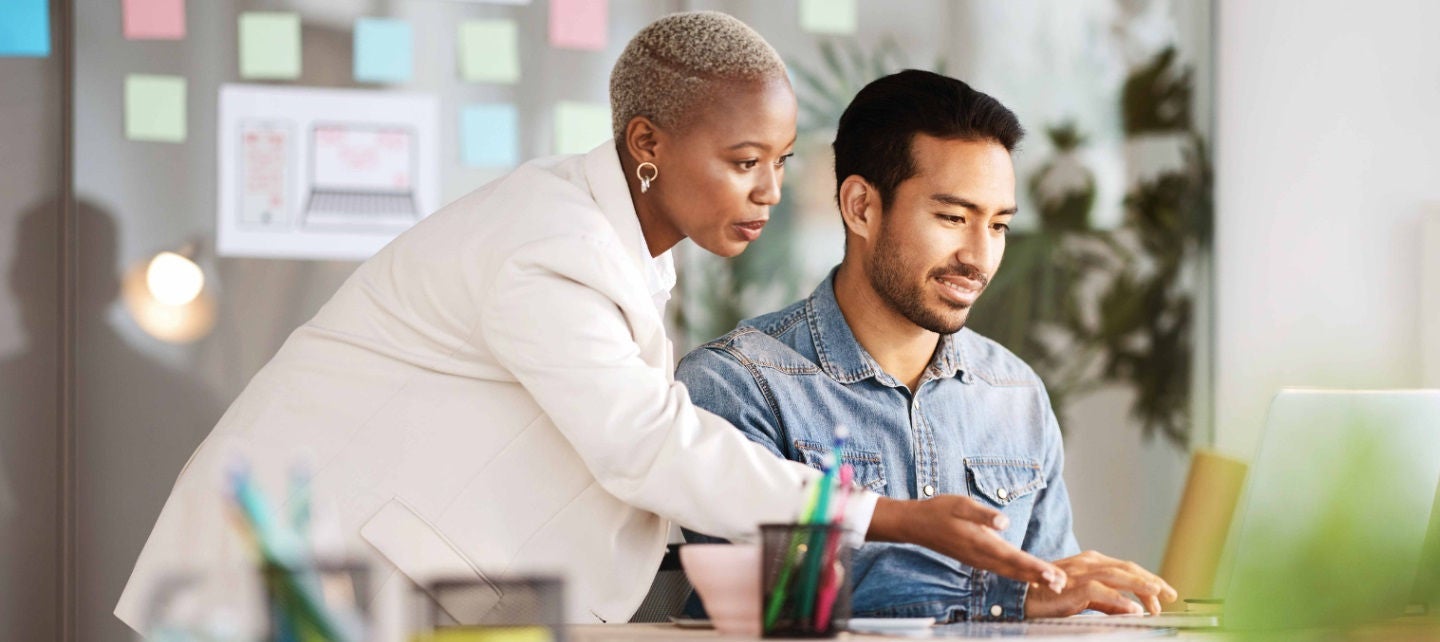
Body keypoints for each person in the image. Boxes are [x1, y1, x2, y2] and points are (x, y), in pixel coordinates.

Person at [115, 14, 1064, 633]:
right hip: (277, 580)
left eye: (779, 161)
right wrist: (896, 518)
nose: (771, 192)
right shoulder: (549, 244)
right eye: (743, 161)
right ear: (647, 144)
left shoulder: (622, 248)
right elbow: (643, 447)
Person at [677, 70, 1177, 622]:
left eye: (999, 226)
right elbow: (764, 597)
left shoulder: (1014, 394)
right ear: (861, 206)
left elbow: (1056, 602)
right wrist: (1007, 597)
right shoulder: (737, 384)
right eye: (953, 217)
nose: (979, 256)